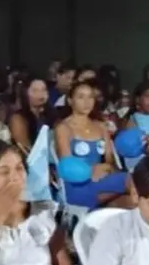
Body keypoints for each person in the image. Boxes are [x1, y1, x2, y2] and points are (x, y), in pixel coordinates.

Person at [54, 81, 131, 210]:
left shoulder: (101, 126)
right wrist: (91, 170)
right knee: (133, 182)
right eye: (81, 97)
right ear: (70, 100)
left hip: (103, 179)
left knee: (133, 198)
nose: (87, 101)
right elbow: (67, 166)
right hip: (76, 186)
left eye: (90, 97)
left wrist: (106, 167)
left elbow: (110, 161)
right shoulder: (64, 128)